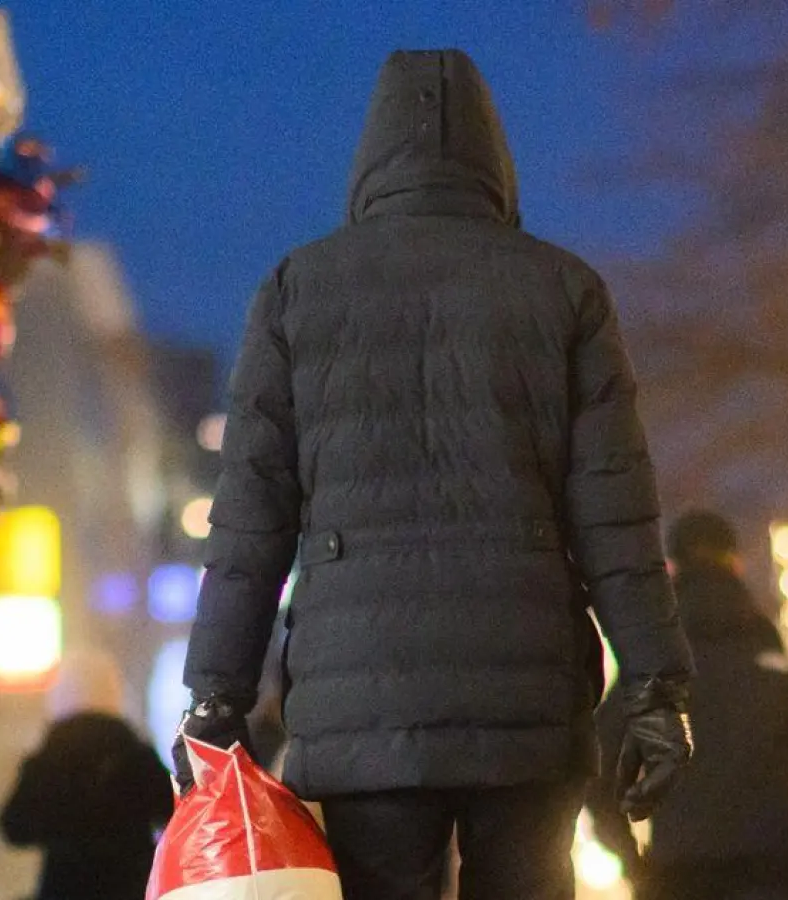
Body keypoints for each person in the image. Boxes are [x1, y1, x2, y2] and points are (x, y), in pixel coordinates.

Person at [175, 48, 695, 900]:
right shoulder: (563, 289)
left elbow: (249, 523)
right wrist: (654, 682)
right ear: (495, 158)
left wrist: (216, 694)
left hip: (361, 696)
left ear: (369, 159)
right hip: (525, 692)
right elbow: (616, 515)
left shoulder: (298, 288)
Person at [637, 510, 788, 900]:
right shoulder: (786, 651)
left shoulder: (650, 659)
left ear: (671, 568)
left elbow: (601, 761)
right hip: (778, 867)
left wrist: (636, 859)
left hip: (680, 871)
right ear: (736, 563)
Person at [0, 651, 174, 900]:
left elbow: (13, 827)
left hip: (64, 890)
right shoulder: (136, 755)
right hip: (130, 890)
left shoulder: (49, 760)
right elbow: (174, 812)